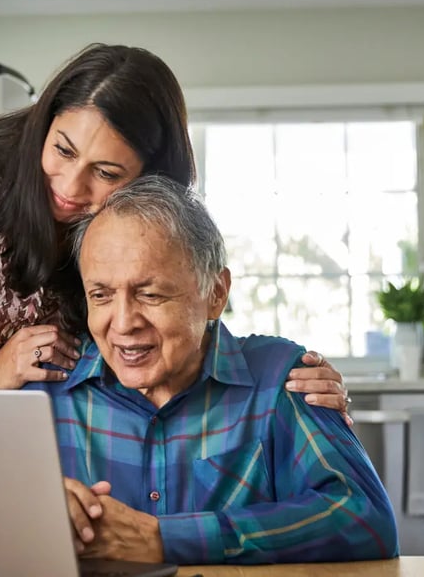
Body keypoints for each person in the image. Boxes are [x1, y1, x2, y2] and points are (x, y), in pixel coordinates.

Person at [0, 43, 351, 406]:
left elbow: (181, 326)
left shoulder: (129, 233)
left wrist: (290, 381)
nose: (69, 187)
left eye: (106, 172)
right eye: (62, 149)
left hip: (1, 454)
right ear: (45, 122)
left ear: (150, 178)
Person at [42, 175, 397, 566]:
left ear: (216, 293)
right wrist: (30, 512)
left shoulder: (280, 379)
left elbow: (365, 520)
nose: (123, 323)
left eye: (150, 294)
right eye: (101, 295)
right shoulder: (47, 392)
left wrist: (164, 539)